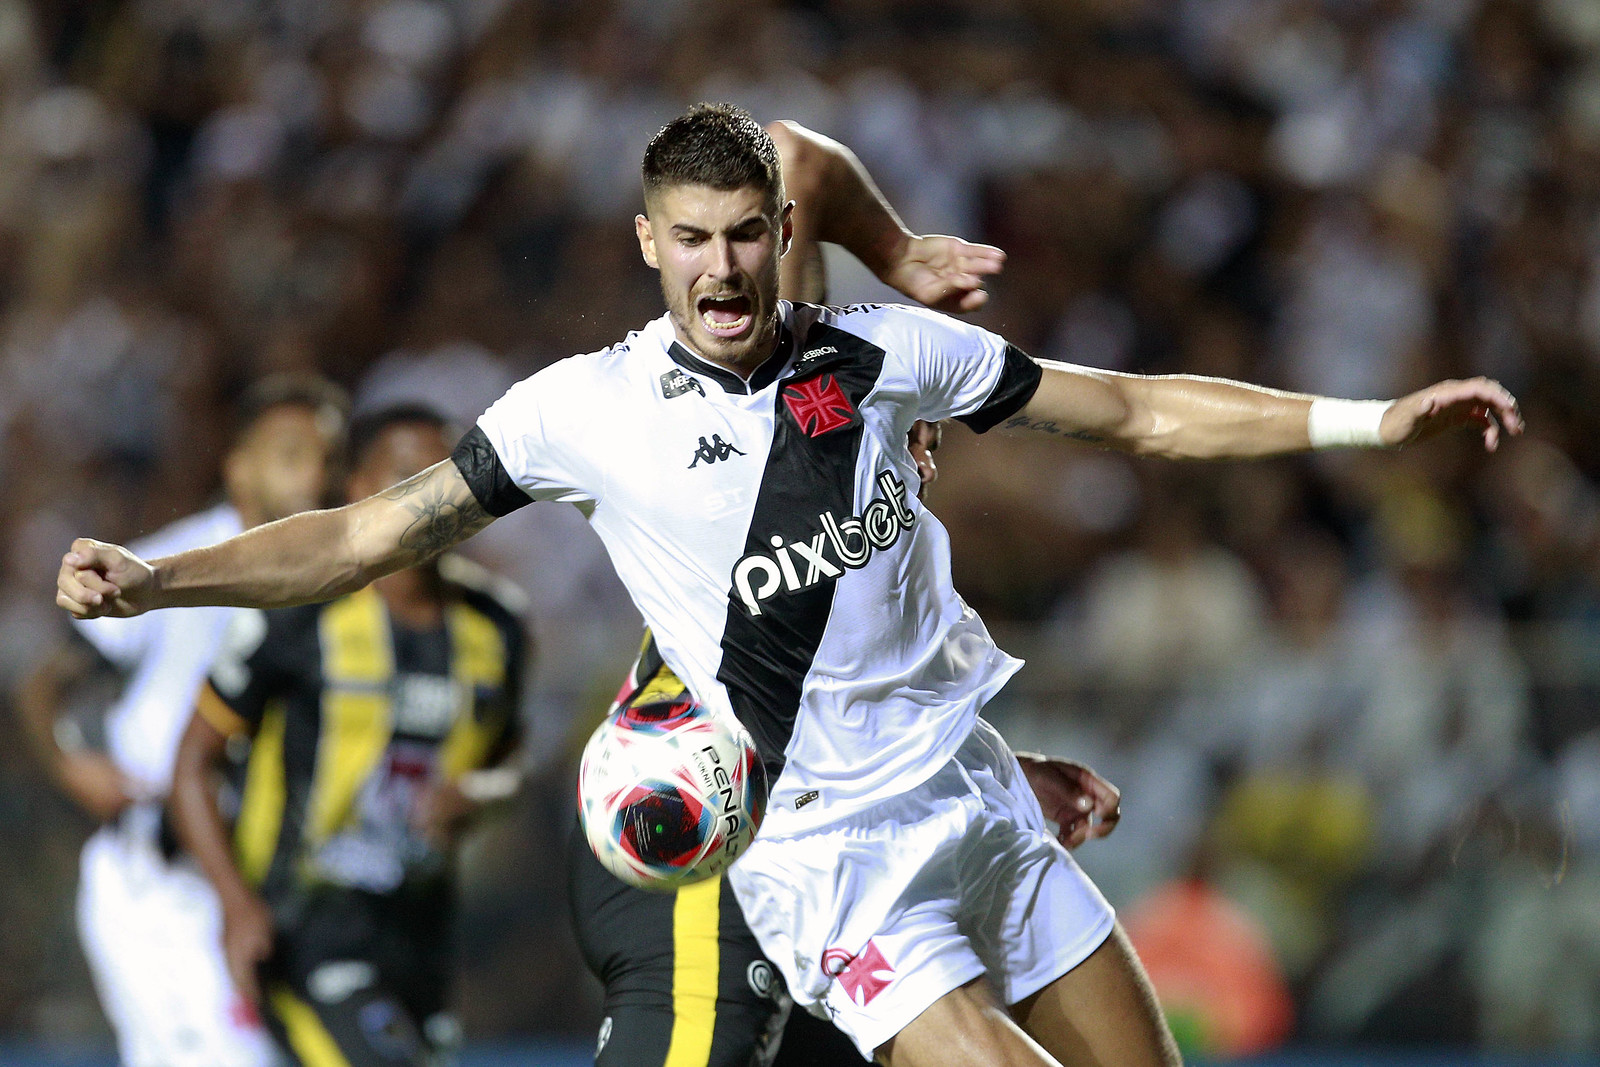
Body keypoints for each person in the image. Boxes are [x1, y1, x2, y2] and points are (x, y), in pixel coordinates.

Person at [58, 103, 1523, 1067]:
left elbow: (1136, 410)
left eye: (747, 233)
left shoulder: (882, 355)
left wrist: (1372, 420)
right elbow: (355, 537)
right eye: (690, 239)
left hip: (979, 791)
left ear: (778, 231)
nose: (722, 268)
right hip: (828, 855)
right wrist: (157, 580)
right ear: (648, 243)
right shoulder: (584, 411)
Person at [572, 119, 1122, 1067]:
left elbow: (847, 683)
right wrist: (897, 252)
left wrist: (977, 766)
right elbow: (794, 153)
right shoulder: (745, 375)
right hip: (703, 844)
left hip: (839, 856)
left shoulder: (864, 403)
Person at [167, 405, 528, 1067]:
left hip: (421, 933)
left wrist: (481, 792)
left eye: (447, 475)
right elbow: (193, 761)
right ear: (360, 486)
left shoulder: (498, 624)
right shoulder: (299, 614)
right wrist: (236, 905)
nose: (432, 495)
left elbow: (510, 756)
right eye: (406, 475)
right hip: (304, 925)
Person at [17, 373, 347, 1067]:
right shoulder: (176, 564)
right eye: (290, 454)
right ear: (239, 468)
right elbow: (44, 682)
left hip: (271, 882)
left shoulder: (338, 577)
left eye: (327, 456)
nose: (314, 474)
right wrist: (71, 763)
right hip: (166, 882)